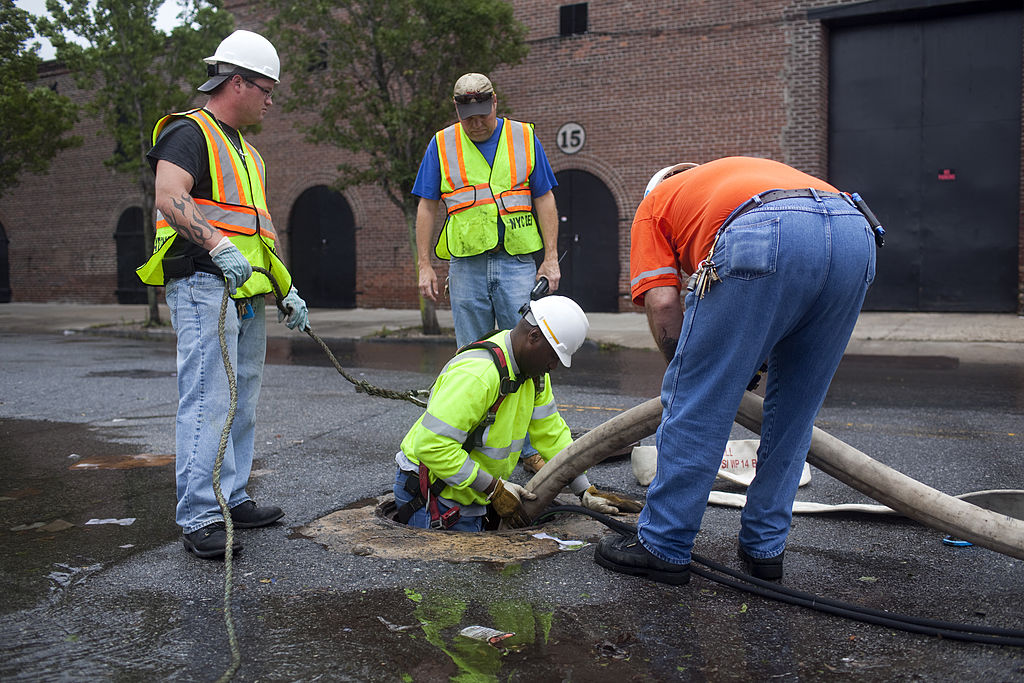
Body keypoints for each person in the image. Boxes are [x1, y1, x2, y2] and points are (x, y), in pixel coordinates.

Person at [596, 156, 877, 584]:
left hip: (765, 231)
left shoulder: (656, 203)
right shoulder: (729, 178)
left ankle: (664, 545)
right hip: (854, 232)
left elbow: (664, 304)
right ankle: (765, 548)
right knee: (795, 411)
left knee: (697, 400)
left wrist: (696, 371)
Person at [137, 30, 310, 559]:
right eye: (266, 88)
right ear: (237, 82)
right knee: (210, 399)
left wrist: (286, 287)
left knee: (242, 401)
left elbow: (259, 232)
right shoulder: (190, 132)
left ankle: (231, 497)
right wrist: (216, 244)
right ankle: (199, 515)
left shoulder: (250, 155)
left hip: (245, 291)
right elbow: (170, 196)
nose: (270, 100)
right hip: (203, 283)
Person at [413, 72, 562, 473]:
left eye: (482, 113)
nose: (476, 122)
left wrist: (551, 258)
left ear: (495, 103)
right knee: (473, 357)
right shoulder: (442, 144)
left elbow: (544, 198)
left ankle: (529, 446)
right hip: (466, 266)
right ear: (457, 110)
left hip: (516, 262)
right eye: (468, 115)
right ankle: (471, 439)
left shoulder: (523, 137)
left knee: (529, 351)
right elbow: (427, 206)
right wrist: (425, 264)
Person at [393, 296, 642, 531]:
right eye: (554, 356)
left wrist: (584, 490)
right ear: (533, 336)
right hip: (433, 493)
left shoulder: (534, 375)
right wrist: (494, 489)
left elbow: (551, 434)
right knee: (454, 574)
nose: (554, 366)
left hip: (467, 489)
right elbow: (433, 446)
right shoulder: (478, 374)